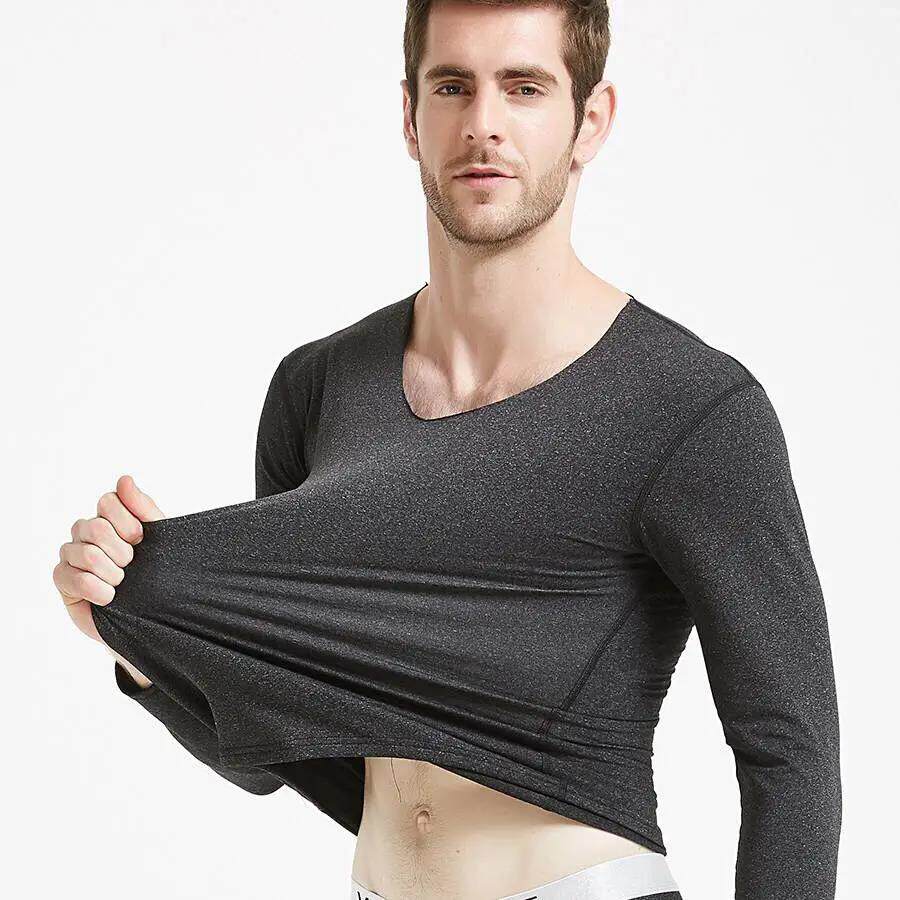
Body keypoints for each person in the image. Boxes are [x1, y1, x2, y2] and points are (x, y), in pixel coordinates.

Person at [54, 2, 841, 898]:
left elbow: (791, 757)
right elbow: (284, 750)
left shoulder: (689, 410)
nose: (483, 124)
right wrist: (141, 639)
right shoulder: (317, 387)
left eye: (524, 87)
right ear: (409, 115)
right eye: (453, 86)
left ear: (590, 121)